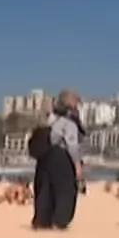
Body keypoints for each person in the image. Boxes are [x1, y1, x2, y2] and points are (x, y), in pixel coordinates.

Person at [33, 90, 84, 230]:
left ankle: (42, 221)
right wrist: (78, 166)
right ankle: (59, 222)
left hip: (46, 157)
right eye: (76, 102)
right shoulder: (69, 121)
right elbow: (72, 145)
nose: (78, 106)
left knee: (46, 189)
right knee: (66, 191)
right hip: (62, 157)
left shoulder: (51, 118)